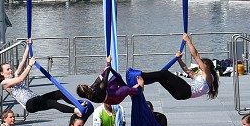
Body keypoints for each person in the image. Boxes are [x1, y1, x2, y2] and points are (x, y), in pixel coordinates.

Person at [76, 34, 218, 104]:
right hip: (180, 95)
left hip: (184, 92)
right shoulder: (202, 79)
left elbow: (196, 55)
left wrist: (188, 41)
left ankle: (139, 76)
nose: (198, 68)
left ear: (206, 67)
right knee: (160, 78)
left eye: (200, 67)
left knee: (163, 74)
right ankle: (139, 80)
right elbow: (187, 71)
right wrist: (179, 59)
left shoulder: (207, 74)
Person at [0, 44, 79, 115]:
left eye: (10, 68)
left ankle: (78, 105)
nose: (11, 70)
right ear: (2, 73)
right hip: (30, 104)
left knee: (59, 93)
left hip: (36, 98)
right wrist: (30, 65)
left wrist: (28, 45)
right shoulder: (4, 83)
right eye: (8, 69)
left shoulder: (15, 76)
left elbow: (23, 60)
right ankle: (76, 110)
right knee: (52, 103)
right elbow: (21, 79)